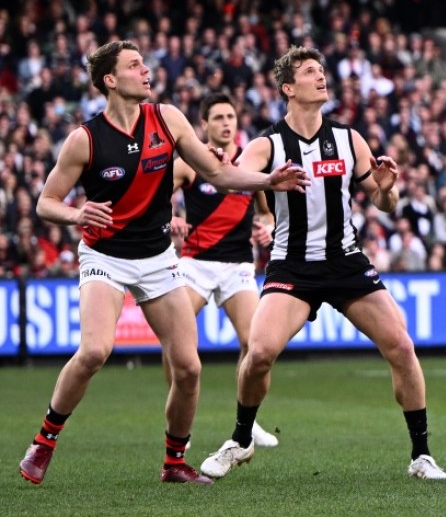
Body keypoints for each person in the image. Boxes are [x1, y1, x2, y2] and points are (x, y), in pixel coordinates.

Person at [19, 41, 308, 486]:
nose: (146, 70)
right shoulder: (85, 140)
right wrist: (76, 213)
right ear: (110, 80)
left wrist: (268, 180)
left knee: (189, 367)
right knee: (95, 350)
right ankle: (45, 439)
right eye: (134, 65)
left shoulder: (168, 118)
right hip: (105, 256)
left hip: (157, 258)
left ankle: (174, 463)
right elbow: (45, 203)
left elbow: (216, 174)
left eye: (145, 64)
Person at [198, 46, 446, 481]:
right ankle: (240, 440)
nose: (321, 77)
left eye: (322, 71)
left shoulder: (350, 139)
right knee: (258, 354)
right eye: (310, 72)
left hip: (346, 263)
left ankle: (421, 456)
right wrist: (268, 181)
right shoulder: (269, 143)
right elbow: (230, 178)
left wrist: (389, 190)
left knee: (402, 347)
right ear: (288, 88)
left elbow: (384, 202)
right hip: (293, 266)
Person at [165, 91, 279, 449]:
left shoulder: (249, 165)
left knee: (256, 344)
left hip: (238, 266)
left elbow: (267, 212)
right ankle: (178, 410)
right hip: (195, 264)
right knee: (175, 338)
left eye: (230, 117)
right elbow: (156, 198)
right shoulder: (189, 163)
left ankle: (249, 421)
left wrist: (267, 227)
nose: (226, 123)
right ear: (204, 124)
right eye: (218, 118)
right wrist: (172, 217)